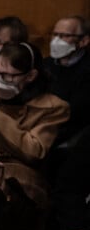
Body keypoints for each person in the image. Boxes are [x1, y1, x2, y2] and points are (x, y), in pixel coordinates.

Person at [0, 42, 69, 230]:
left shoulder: (54, 108)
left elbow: (35, 150)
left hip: (26, 186)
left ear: (30, 76)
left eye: (7, 75)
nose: (0, 81)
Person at [43, 15, 90, 146]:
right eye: (55, 35)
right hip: (40, 125)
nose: (56, 40)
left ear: (83, 41)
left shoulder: (87, 71)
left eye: (64, 36)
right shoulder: (44, 64)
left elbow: (77, 112)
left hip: (71, 133)